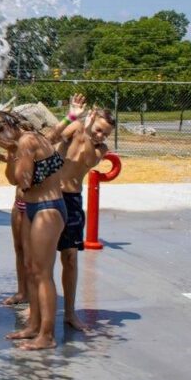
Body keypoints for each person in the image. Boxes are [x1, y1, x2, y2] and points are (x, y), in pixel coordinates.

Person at [0, 110, 65, 350]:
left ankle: (47, 335)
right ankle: (33, 325)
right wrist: (11, 153)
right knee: (31, 269)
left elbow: (22, 179)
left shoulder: (28, 140)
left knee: (42, 274)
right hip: (32, 207)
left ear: (9, 125)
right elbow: (14, 179)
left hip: (47, 208)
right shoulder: (22, 143)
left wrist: (13, 152)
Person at [46, 94, 116, 331]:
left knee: (70, 257)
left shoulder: (101, 149)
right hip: (51, 196)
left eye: (105, 134)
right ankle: (37, 307)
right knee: (43, 257)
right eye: (98, 130)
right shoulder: (76, 127)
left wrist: (88, 134)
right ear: (91, 119)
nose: (101, 136)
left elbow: (87, 160)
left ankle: (69, 312)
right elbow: (52, 138)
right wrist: (71, 117)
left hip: (72, 201)